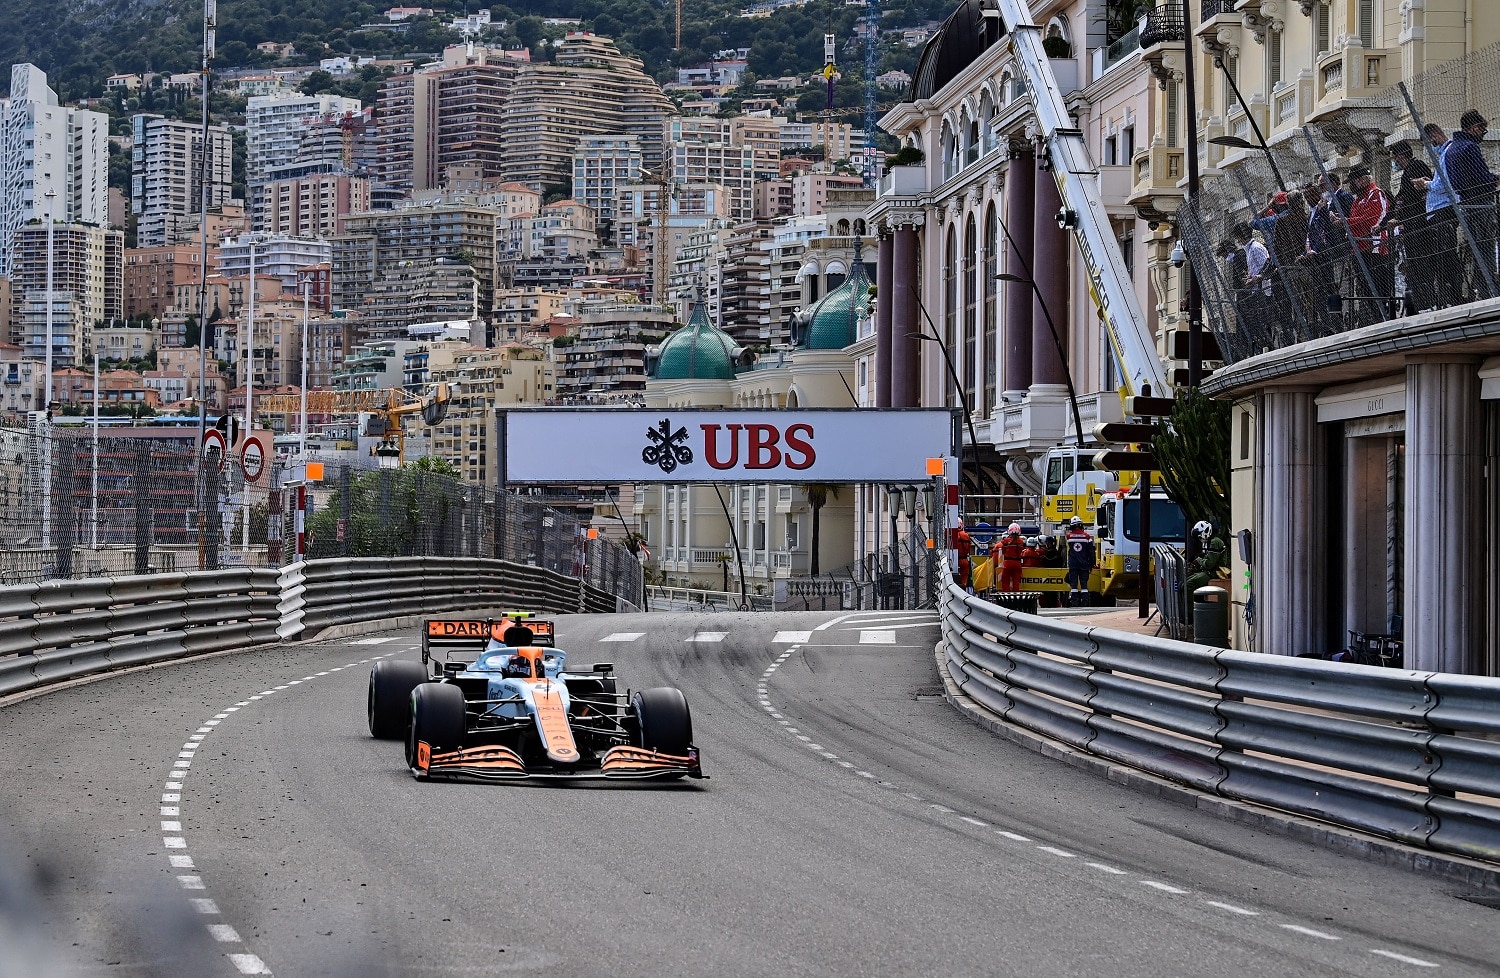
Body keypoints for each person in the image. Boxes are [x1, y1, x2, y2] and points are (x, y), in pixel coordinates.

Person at [1444, 109, 1500, 292]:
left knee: (1476, 251)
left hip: (1465, 203)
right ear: (1475, 127)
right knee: (1487, 248)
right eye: (1482, 130)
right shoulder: (1470, 147)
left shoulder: (1451, 149)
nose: (1483, 135)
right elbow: (1482, 177)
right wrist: (1495, 180)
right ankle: (1491, 289)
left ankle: (1480, 289)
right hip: (1481, 202)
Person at [1412, 122, 1461, 309]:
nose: (1428, 148)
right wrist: (1430, 182)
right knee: (1443, 256)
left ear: (1434, 137)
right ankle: (1449, 294)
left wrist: (1426, 185)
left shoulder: (1447, 154)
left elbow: (1444, 185)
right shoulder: (1442, 155)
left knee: (1447, 255)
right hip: (1437, 213)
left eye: (1428, 143)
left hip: (1443, 212)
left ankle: (1454, 295)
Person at [1346, 164, 1394, 308]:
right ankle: (1376, 314)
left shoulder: (1375, 193)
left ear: (1361, 180)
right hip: (1359, 248)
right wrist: (1346, 222)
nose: (1351, 186)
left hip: (1375, 248)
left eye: (1352, 182)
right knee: (1367, 289)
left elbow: (1371, 219)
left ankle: (1387, 312)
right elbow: (1355, 220)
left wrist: (1345, 222)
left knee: (1380, 286)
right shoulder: (1357, 199)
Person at [1063, 516, 1094, 607]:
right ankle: (1085, 603)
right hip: (1084, 564)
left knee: (1074, 585)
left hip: (1073, 564)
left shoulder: (1069, 536)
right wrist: (1091, 564)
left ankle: (1074, 603)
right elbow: (1091, 552)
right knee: (1084, 584)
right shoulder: (1087, 537)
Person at [997, 522, 1026, 592]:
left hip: (1008, 562)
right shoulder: (1021, 541)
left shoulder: (1006, 541)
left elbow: (1003, 551)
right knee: (1016, 581)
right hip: (1018, 563)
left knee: (1005, 579)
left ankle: (1006, 596)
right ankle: (1016, 596)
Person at [954, 520, 974, 591]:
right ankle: (963, 589)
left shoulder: (949, 534)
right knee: (964, 578)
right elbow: (968, 548)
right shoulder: (965, 535)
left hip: (953, 560)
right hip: (964, 559)